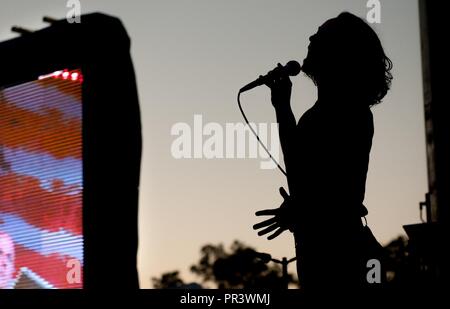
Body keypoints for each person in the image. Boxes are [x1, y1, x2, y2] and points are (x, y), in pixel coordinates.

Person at [254, 12, 392, 290]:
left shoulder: (351, 112)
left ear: (339, 52)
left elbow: (338, 194)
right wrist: (282, 109)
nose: (311, 38)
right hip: (321, 251)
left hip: (342, 256)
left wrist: (301, 208)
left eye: (321, 34)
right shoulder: (316, 115)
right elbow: (301, 174)